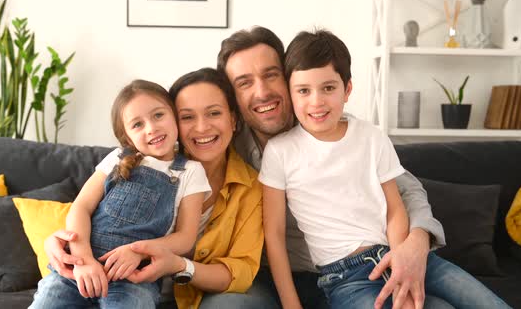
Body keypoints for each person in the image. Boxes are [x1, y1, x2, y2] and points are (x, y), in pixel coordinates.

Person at [259, 29, 510, 309]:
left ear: (347, 89)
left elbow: (394, 207)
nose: (316, 101)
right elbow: (275, 235)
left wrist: (402, 259)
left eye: (328, 88)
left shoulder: (370, 136)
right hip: (347, 278)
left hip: (401, 253)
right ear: (290, 94)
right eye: (304, 91)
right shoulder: (280, 152)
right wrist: (292, 305)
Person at [216, 26, 448, 309]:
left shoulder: (338, 128)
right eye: (244, 83)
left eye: (270, 75)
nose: (262, 92)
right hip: (280, 279)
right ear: (232, 98)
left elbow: (407, 190)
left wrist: (417, 240)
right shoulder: (227, 150)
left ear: (289, 76)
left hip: (364, 270)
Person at [45, 68, 267, 309]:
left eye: (214, 113)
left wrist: (156, 257)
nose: (202, 127)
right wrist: (77, 254)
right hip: (84, 270)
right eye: (188, 117)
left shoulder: (215, 179)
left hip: (142, 282)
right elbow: (82, 208)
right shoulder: (121, 159)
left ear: (233, 120)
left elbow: (235, 267)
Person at [30, 80, 210, 308]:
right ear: (126, 137)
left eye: (158, 115)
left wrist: (139, 252)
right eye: (137, 124)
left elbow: (185, 238)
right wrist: (84, 259)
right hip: (79, 270)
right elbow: (81, 207)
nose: (151, 128)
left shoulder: (190, 171)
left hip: (134, 279)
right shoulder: (117, 158)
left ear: (174, 116)